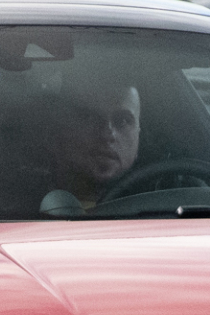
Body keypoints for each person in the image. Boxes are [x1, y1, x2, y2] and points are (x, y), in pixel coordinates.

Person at [37, 81, 141, 215]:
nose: (107, 134)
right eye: (90, 118)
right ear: (57, 132)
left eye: (123, 121)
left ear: (138, 135)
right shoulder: (15, 206)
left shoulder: (161, 206)